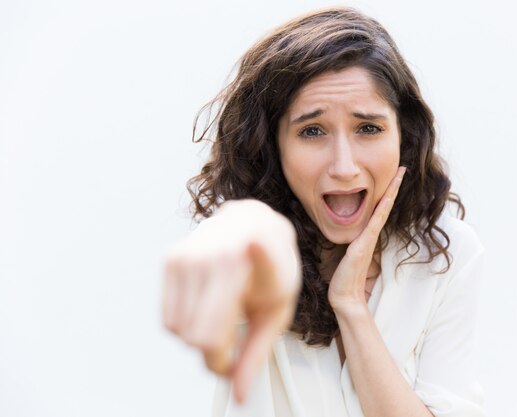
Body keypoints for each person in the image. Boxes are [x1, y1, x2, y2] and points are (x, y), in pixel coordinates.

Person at [162, 6, 486, 417]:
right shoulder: (254, 253)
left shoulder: (446, 254)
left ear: (404, 135)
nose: (344, 166)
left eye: (368, 128)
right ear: (272, 146)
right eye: (312, 131)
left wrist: (350, 303)